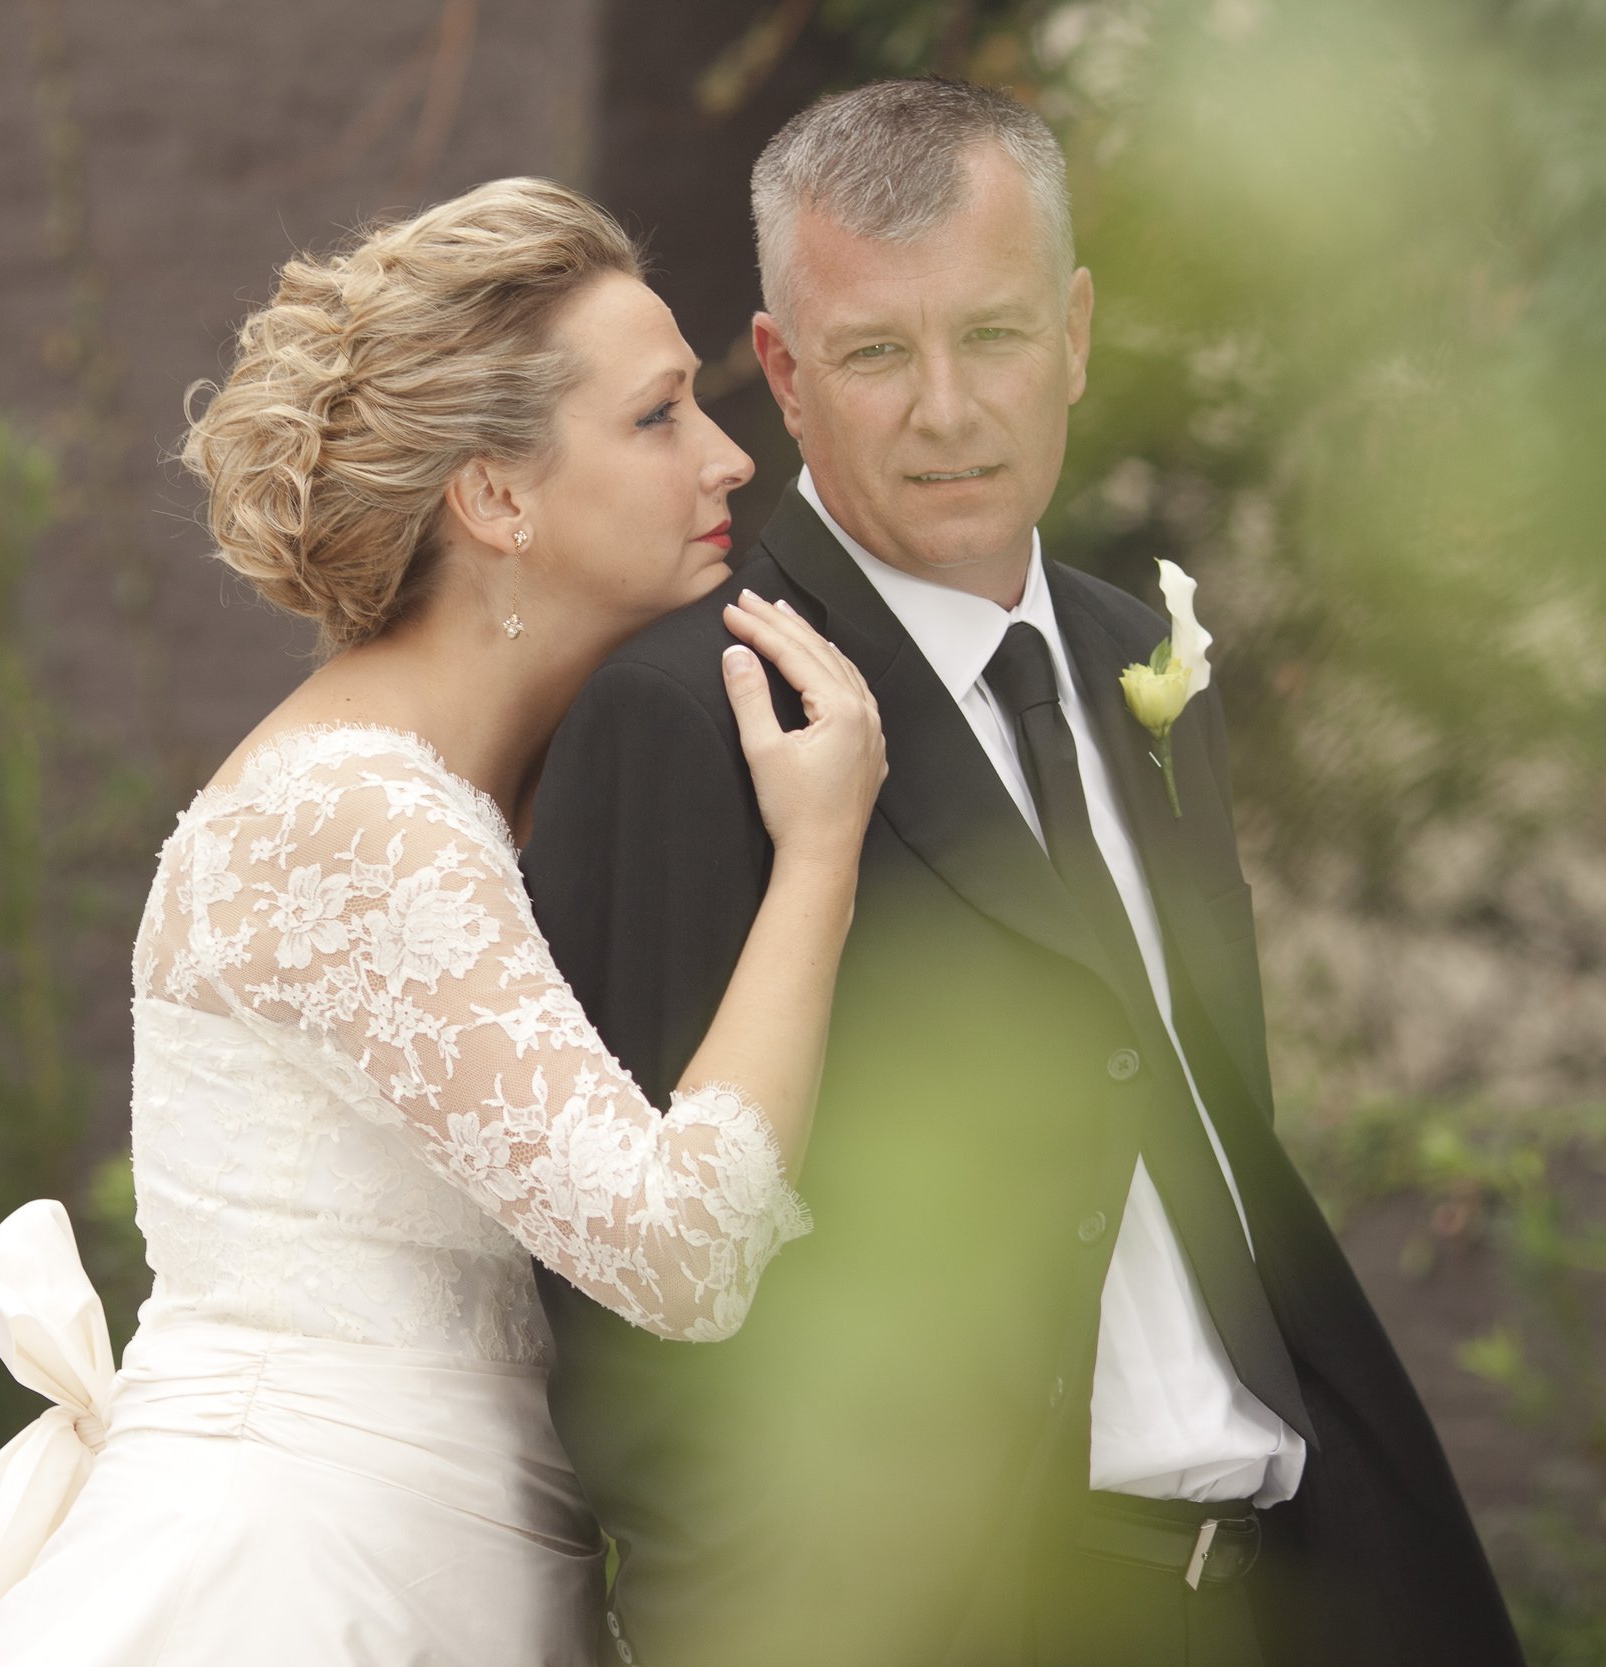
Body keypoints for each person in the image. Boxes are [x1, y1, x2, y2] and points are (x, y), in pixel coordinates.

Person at [523, 78, 1523, 1667]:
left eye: (990, 336)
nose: (945, 408)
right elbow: (624, 1321)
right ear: (783, 374)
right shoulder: (683, 716)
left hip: (1278, 1592)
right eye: (873, 353)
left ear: (1073, 332)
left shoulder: (1147, 667)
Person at [0, 177, 886, 1667]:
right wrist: (823, 853)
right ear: (497, 496)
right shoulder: (350, 822)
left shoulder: (498, 795)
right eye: (658, 417)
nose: (726, 457)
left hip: (453, 1572)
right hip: (294, 1578)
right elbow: (679, 1251)